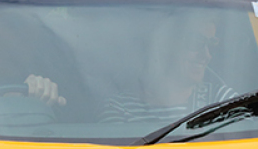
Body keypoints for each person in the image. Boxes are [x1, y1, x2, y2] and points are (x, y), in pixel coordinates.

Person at [101, 14, 235, 123]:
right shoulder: (120, 108)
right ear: (166, 46)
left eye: (211, 44)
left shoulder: (221, 99)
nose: (206, 55)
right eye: (196, 43)